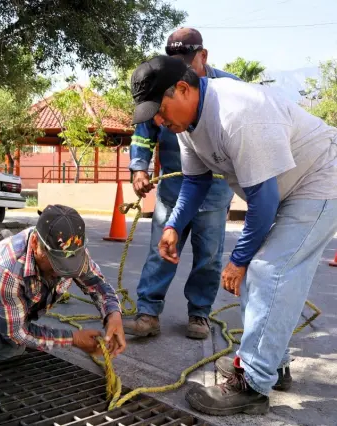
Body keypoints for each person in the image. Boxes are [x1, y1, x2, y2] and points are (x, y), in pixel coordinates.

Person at [130, 55, 337, 416]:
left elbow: (264, 199)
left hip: (320, 179)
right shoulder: (188, 126)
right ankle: (272, 363)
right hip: (287, 188)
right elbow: (195, 183)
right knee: (262, 274)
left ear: (183, 89)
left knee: (267, 271)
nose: (160, 122)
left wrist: (238, 260)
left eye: (160, 110)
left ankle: (253, 385)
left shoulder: (238, 114)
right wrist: (171, 227)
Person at [125, 28, 239, 340]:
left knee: (209, 255)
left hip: (215, 189)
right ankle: (148, 312)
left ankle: (200, 314)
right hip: (175, 186)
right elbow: (144, 131)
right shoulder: (162, 82)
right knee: (162, 247)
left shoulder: (228, 89)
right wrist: (138, 167)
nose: (182, 70)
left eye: (188, 61)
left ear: (203, 56)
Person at [0, 204, 126, 368]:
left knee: (4, 384)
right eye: (56, 264)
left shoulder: (71, 251)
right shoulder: (6, 268)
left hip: (14, 326)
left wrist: (113, 315)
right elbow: (17, 334)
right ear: (35, 244)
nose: (62, 273)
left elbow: (97, 283)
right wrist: (74, 339)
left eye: (68, 266)